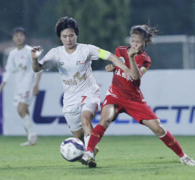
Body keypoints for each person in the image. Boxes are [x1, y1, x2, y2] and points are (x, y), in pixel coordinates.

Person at [81, 24, 195, 167]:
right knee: (105, 119)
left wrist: (131, 58)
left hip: (134, 100)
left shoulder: (145, 59)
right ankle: (89, 152)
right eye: (132, 40)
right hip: (115, 95)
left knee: (158, 128)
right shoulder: (120, 50)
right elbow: (119, 67)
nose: (134, 44)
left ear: (144, 42)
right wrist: (112, 68)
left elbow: (135, 77)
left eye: (138, 41)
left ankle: (183, 157)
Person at [31, 17, 131, 152]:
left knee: (85, 120)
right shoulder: (56, 53)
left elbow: (111, 56)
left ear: (76, 34)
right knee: (79, 138)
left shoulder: (86, 49)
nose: (68, 39)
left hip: (89, 92)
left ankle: (90, 154)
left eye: (71, 35)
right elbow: (37, 68)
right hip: (70, 99)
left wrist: (125, 69)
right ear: (60, 37)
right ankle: (90, 149)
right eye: (64, 36)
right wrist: (34, 59)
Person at [0, 27, 42, 146]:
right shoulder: (12, 54)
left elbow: (39, 69)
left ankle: (32, 134)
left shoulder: (30, 51)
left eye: (21, 35)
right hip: (19, 86)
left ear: (25, 37)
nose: (18, 37)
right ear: (13, 38)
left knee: (20, 109)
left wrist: (36, 85)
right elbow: (8, 72)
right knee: (24, 111)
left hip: (29, 85)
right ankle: (31, 138)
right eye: (16, 36)